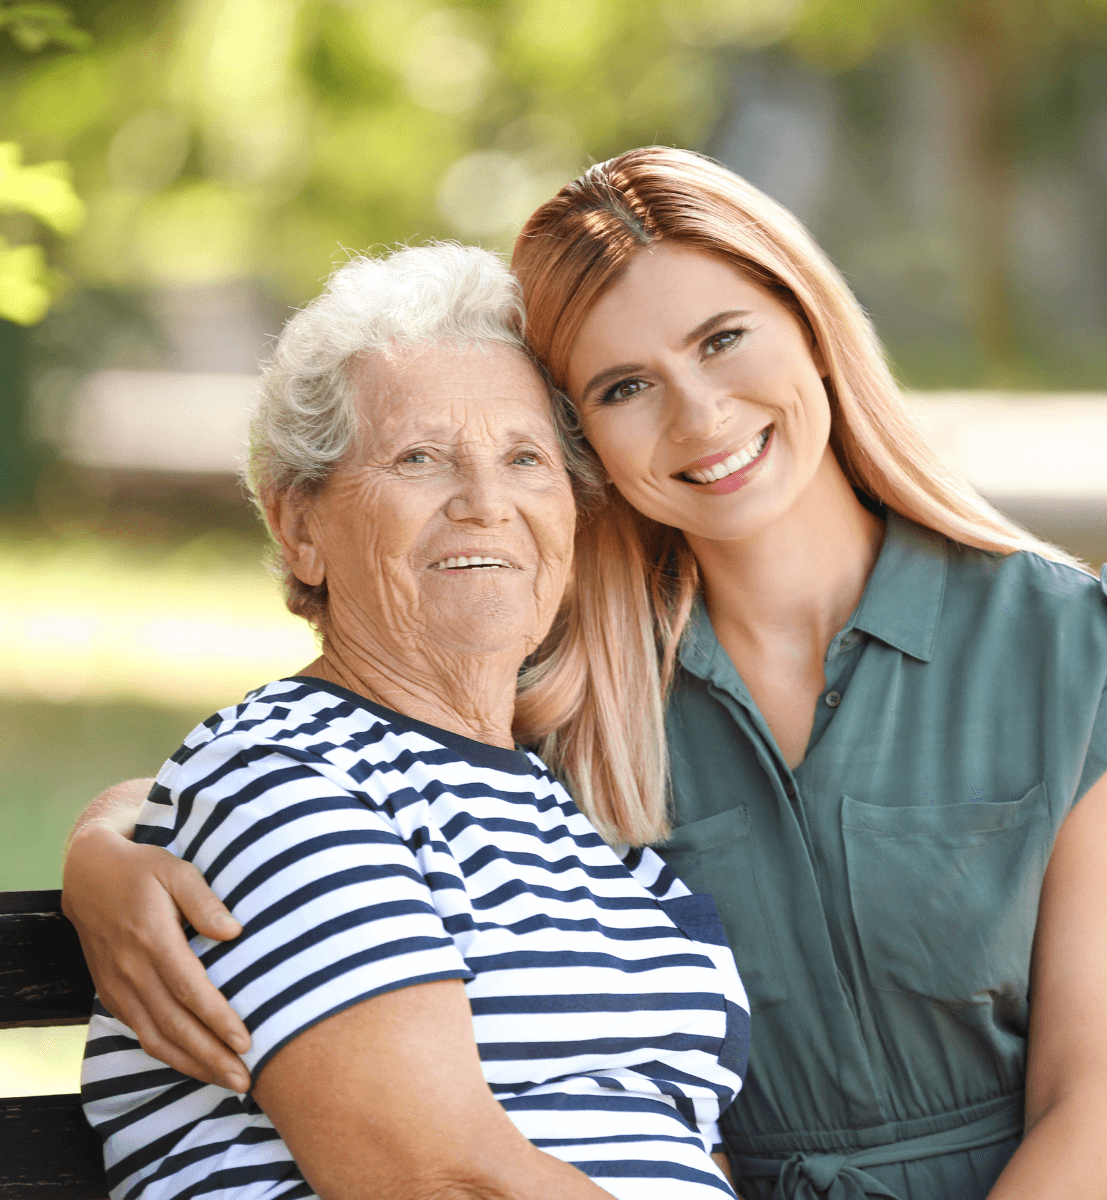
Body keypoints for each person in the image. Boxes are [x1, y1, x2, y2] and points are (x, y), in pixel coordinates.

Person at [63, 150, 1107, 1200]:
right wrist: (109, 847)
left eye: (722, 338)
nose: (699, 413)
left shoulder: (1056, 640)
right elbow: (329, 762)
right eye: (622, 388)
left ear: (809, 320)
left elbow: (1086, 1101)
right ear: (589, 446)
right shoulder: (575, 679)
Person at [72, 242, 750, 1200]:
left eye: (526, 459)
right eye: (420, 459)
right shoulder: (285, 782)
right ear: (300, 528)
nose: (486, 504)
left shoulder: (578, 823)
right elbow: (433, 1176)